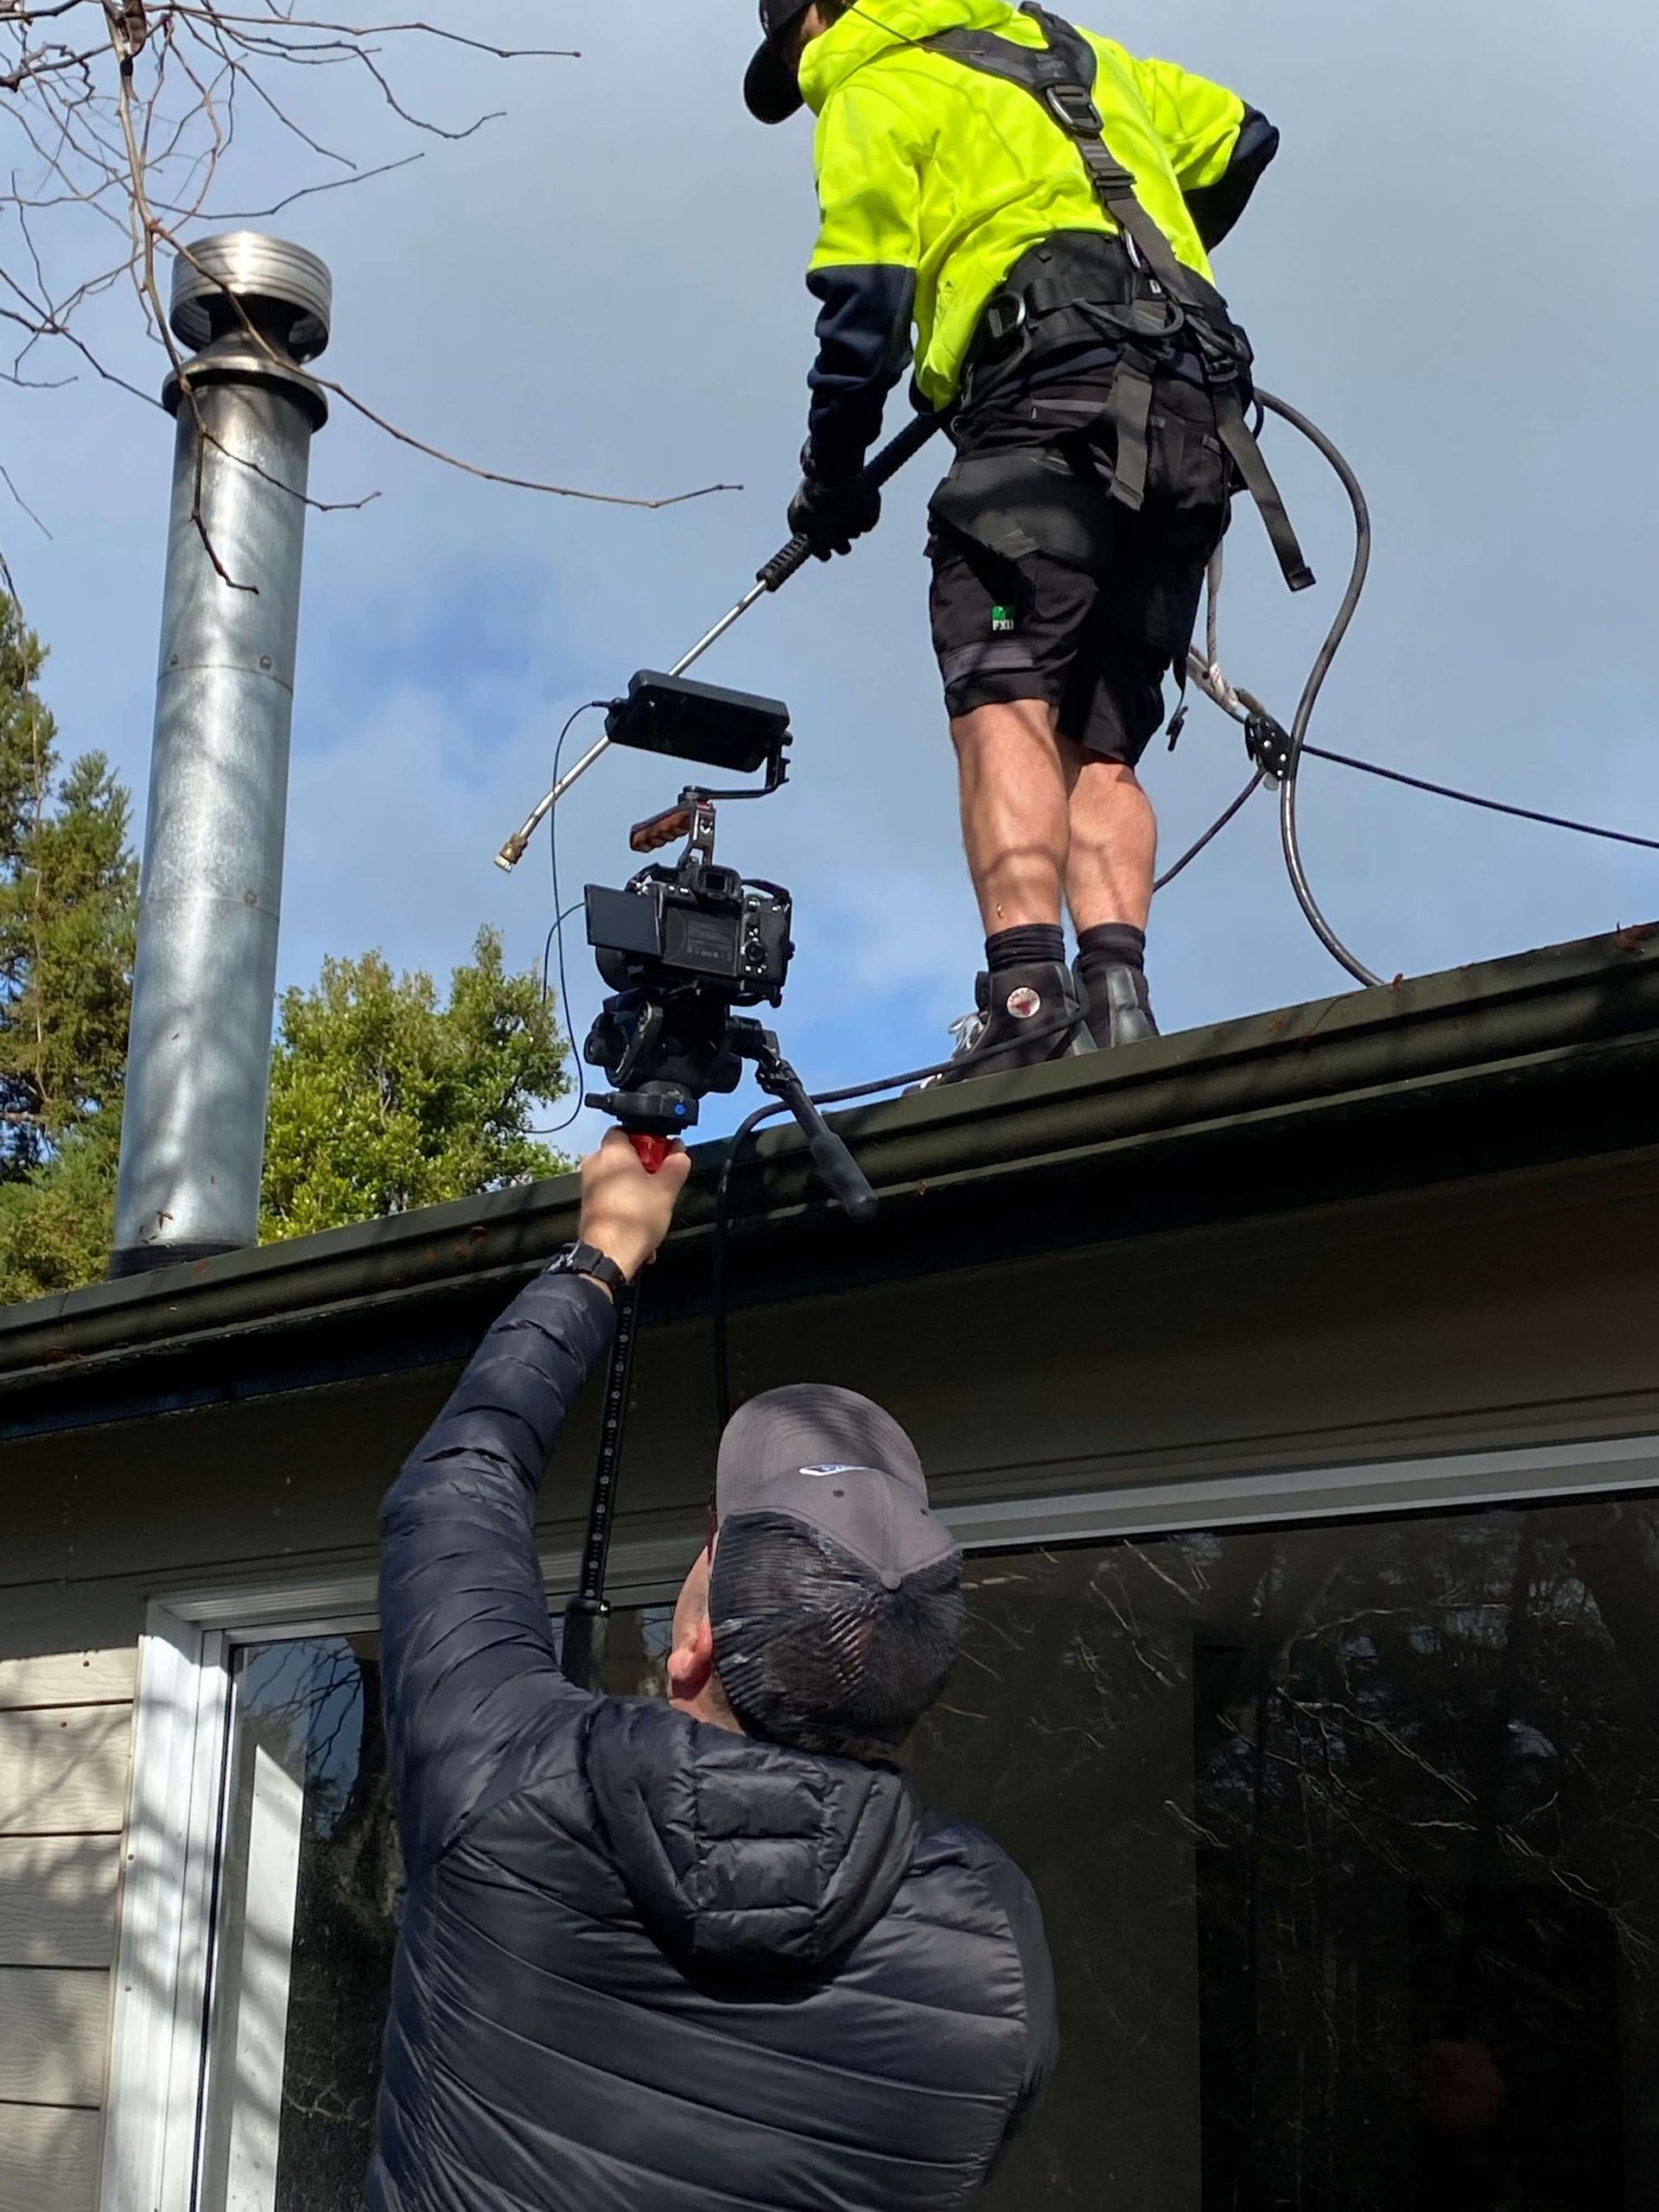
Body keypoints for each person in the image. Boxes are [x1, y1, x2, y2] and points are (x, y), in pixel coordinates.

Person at [371, 1130, 1057, 2212]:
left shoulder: (507, 1786)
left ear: (693, 1645)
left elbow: (458, 1486)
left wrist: (603, 1254)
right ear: (911, 1693)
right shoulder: (991, 1949)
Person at [747, 0, 1307, 1079]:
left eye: (789, 43)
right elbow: (1243, 136)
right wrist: (1139, 273)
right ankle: (1119, 1009)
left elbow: (863, 305)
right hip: (1197, 420)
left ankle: (1024, 997)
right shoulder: (1079, 54)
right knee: (1101, 738)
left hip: (1043, 408)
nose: (799, 62)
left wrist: (831, 478)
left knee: (1003, 691)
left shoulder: (870, 80)